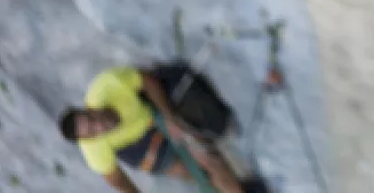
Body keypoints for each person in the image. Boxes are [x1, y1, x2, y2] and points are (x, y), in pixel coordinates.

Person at [57, 66, 245, 192]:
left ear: (89, 108)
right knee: (195, 173)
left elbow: (147, 81)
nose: (99, 126)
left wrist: (169, 117)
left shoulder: (107, 86)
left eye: (92, 119)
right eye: (93, 132)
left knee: (209, 158)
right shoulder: (93, 149)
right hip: (139, 151)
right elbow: (115, 179)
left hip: (154, 122)